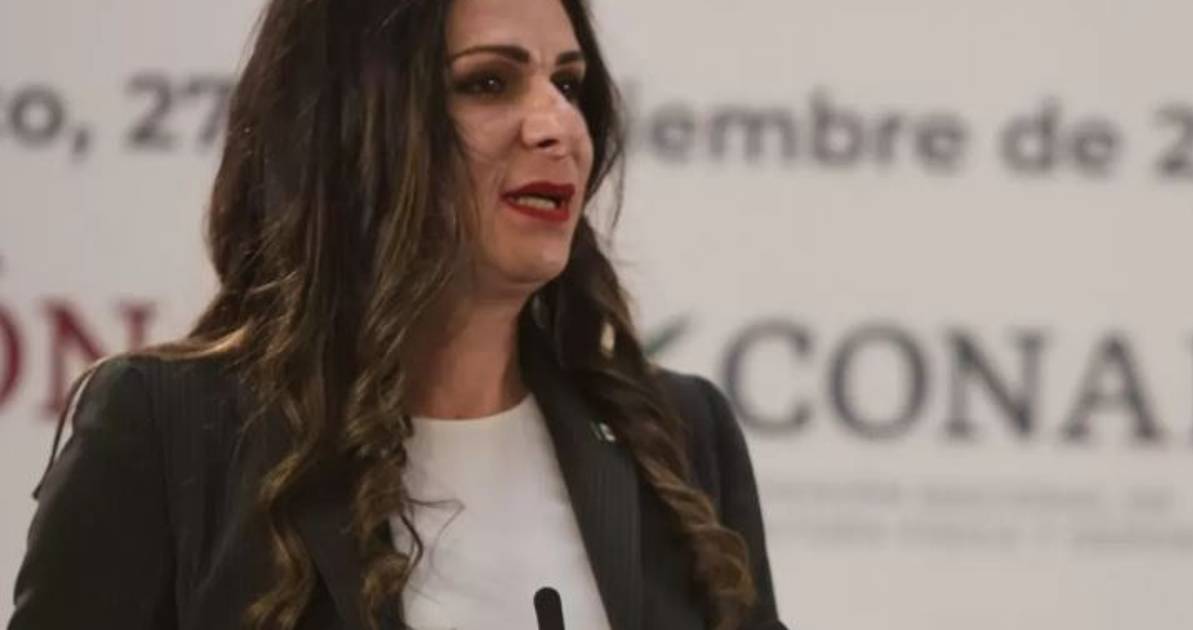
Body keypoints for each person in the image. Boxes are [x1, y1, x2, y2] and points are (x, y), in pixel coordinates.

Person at [9, 0, 785, 629]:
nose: (556, 124)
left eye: (569, 83)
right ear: (353, 122)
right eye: (489, 82)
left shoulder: (680, 437)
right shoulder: (166, 430)